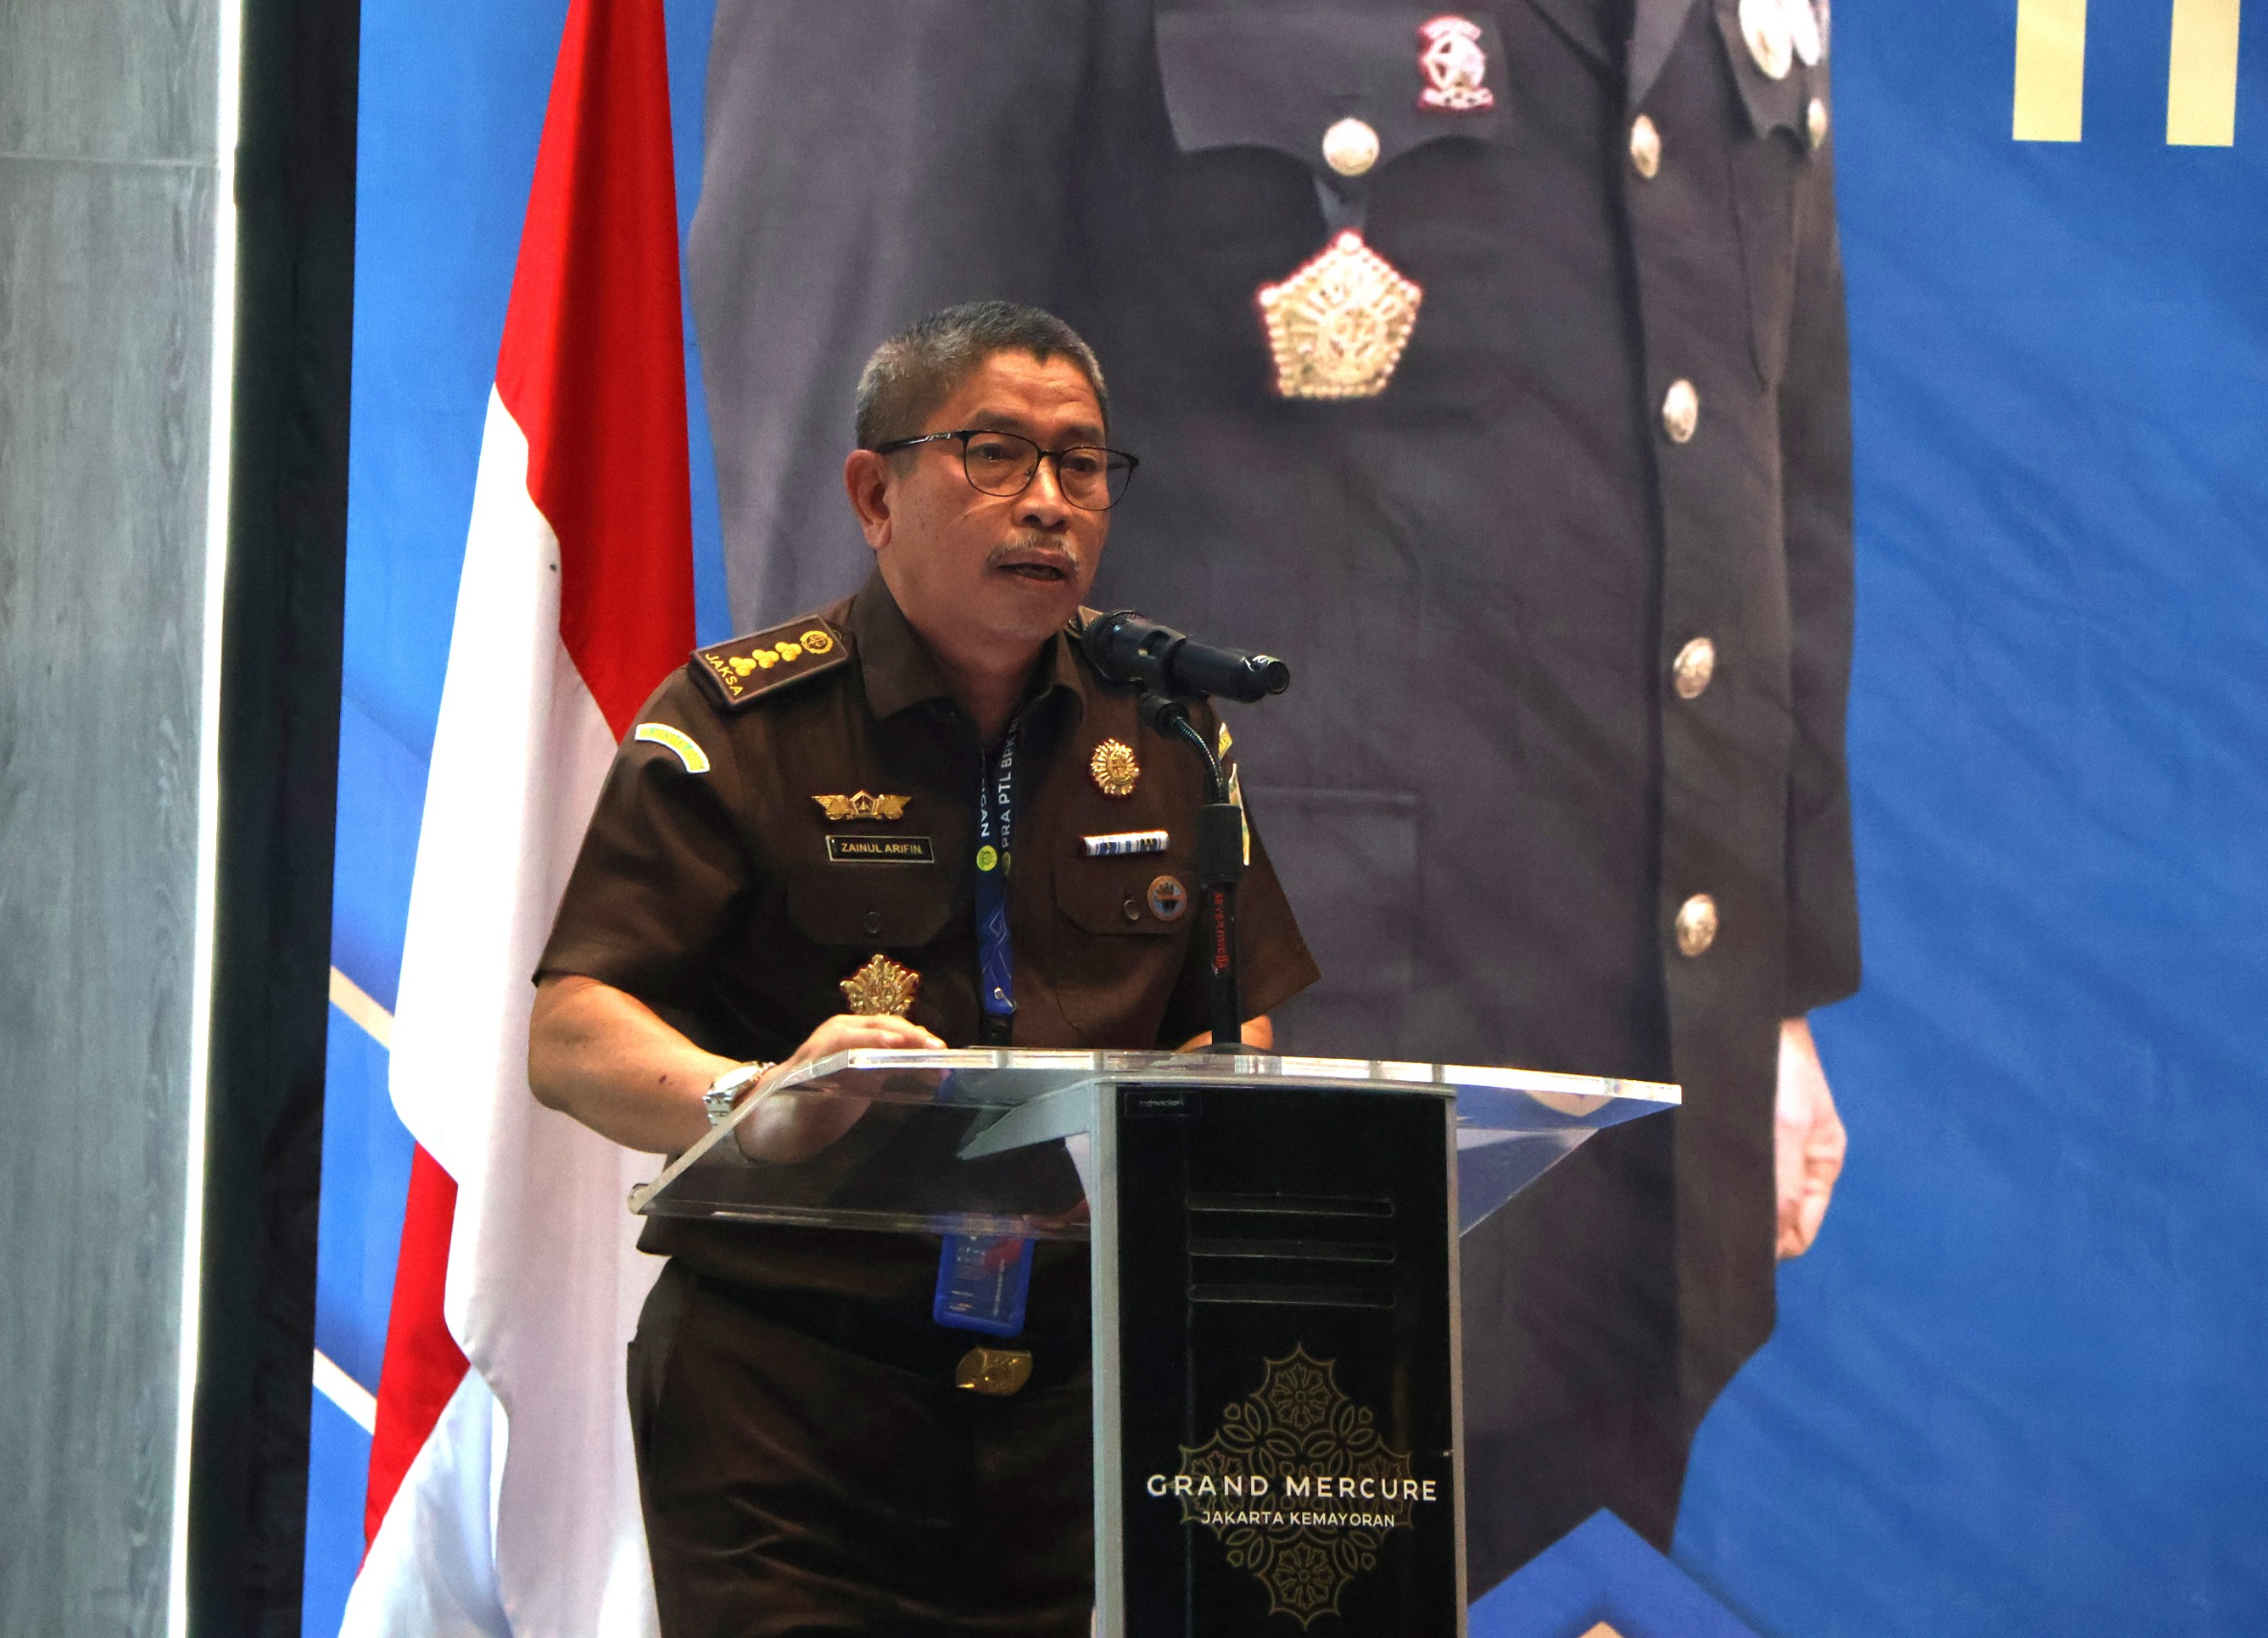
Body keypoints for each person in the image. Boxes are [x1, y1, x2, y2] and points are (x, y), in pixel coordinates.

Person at [686, 0, 1855, 1590]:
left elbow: (1770, 446)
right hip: (1202, 1155)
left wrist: (1766, 987)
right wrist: (931, 1129)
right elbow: (884, 522)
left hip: (1615, 1152)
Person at [526, 302, 1319, 1638]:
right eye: (995, 453)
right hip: (793, 1405)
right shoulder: (743, 722)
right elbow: (574, 1030)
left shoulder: (1166, 732)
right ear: (874, 493)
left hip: (1082, 1401)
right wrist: (751, 1099)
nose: (1049, 501)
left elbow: (1224, 1021)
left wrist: (1205, 1111)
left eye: (1083, 464)